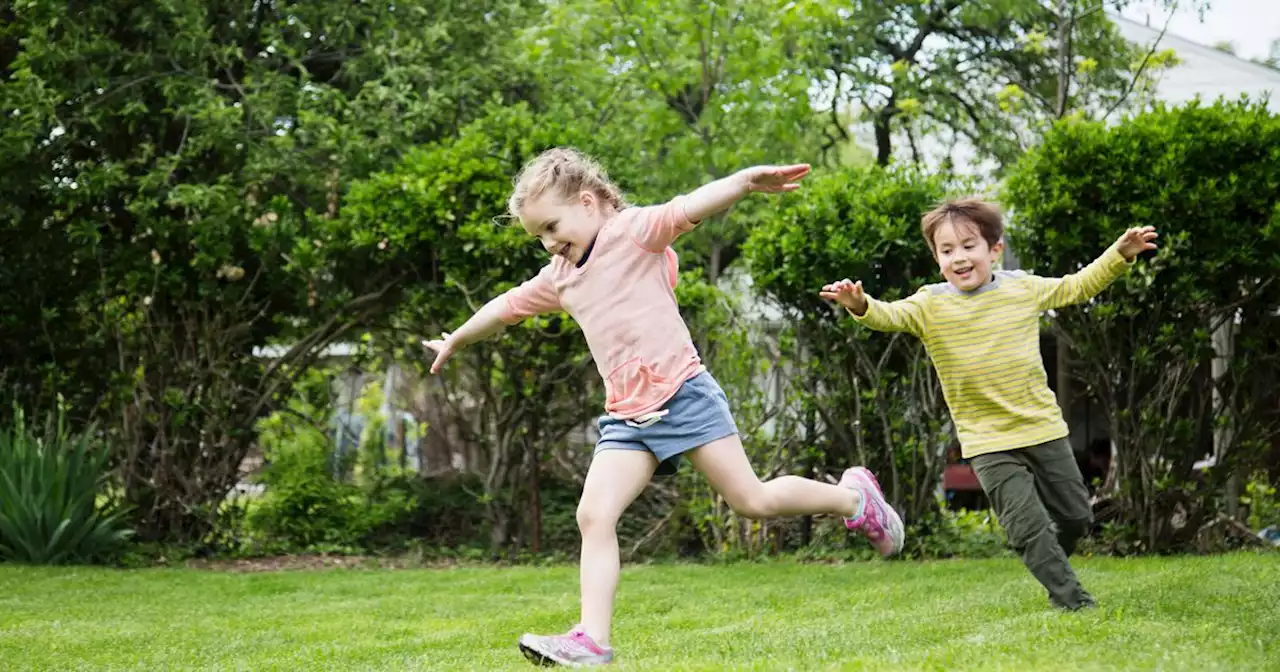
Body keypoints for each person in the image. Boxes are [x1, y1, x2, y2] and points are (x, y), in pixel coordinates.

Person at [423, 148, 904, 667]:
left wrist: (743, 180)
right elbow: (508, 305)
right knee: (593, 514)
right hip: (627, 417)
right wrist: (458, 339)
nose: (548, 243)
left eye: (551, 226)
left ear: (588, 202)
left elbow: (688, 207)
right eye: (538, 235)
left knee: (753, 501)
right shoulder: (561, 275)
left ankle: (853, 500)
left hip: (682, 394)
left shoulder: (633, 232)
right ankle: (592, 640)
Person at [820, 197, 1158, 611]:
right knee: (1027, 526)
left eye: (968, 246)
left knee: (1076, 518)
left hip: (1043, 428)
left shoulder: (1022, 288)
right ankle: (1071, 600)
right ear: (936, 259)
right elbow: (887, 315)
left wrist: (1119, 254)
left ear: (994, 249)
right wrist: (858, 304)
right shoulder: (929, 304)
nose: (959, 258)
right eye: (947, 251)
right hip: (987, 441)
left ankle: (1047, 556)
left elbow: (1077, 285)